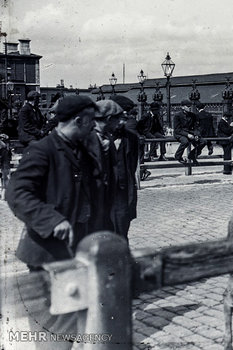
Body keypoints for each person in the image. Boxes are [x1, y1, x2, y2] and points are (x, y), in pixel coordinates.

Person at [6, 95, 98, 349]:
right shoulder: (43, 149)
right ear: (79, 120)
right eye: (91, 121)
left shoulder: (81, 147)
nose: (95, 126)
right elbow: (17, 193)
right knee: (54, 323)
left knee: (69, 319)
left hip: (74, 250)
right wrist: (53, 220)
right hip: (49, 250)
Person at [85, 99, 124, 233]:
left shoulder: (107, 137)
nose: (119, 123)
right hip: (91, 201)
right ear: (108, 119)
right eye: (117, 119)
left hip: (107, 197)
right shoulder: (86, 138)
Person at [110, 95, 141, 239]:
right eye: (121, 116)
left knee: (122, 236)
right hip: (103, 197)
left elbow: (132, 164)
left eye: (126, 116)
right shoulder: (95, 137)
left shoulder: (131, 138)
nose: (124, 120)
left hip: (123, 194)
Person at [173, 100, 204, 165]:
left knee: (203, 141)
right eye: (188, 106)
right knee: (185, 141)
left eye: (190, 106)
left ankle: (192, 155)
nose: (189, 108)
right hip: (180, 133)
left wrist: (196, 134)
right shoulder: (177, 116)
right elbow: (177, 129)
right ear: (182, 107)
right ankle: (178, 156)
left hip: (190, 132)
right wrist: (187, 135)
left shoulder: (193, 115)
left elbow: (196, 127)